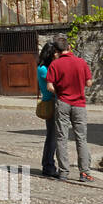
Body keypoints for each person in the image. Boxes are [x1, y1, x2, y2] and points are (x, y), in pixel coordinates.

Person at [45, 35, 94, 182]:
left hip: (63, 103)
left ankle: (64, 172)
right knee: (81, 138)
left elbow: (49, 86)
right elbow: (89, 83)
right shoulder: (81, 62)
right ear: (69, 47)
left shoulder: (55, 65)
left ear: (56, 50)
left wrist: (60, 91)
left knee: (61, 138)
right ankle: (84, 172)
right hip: (79, 104)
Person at [37, 41, 61, 178]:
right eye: (55, 53)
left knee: (53, 136)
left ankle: (48, 163)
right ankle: (48, 165)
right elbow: (53, 84)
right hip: (50, 102)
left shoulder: (48, 67)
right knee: (52, 137)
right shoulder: (43, 69)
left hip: (53, 101)